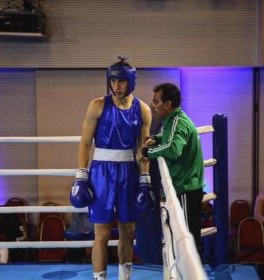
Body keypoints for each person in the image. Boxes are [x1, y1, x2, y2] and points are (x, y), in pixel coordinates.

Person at [70, 57, 153, 280]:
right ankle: (100, 278)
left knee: (128, 231)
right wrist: (81, 175)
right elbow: (85, 142)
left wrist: (145, 178)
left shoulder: (143, 110)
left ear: (131, 81)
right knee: (102, 234)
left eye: (122, 81)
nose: (116, 86)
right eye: (113, 81)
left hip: (129, 171)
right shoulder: (97, 105)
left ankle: (125, 277)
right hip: (101, 174)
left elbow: (144, 149)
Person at [141, 82, 204, 253]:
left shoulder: (177, 122)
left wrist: (149, 151)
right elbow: (170, 137)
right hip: (186, 188)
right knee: (183, 237)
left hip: (185, 189)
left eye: (156, 102)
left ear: (168, 104)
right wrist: (157, 138)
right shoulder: (174, 120)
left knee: (186, 239)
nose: (153, 106)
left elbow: (174, 148)